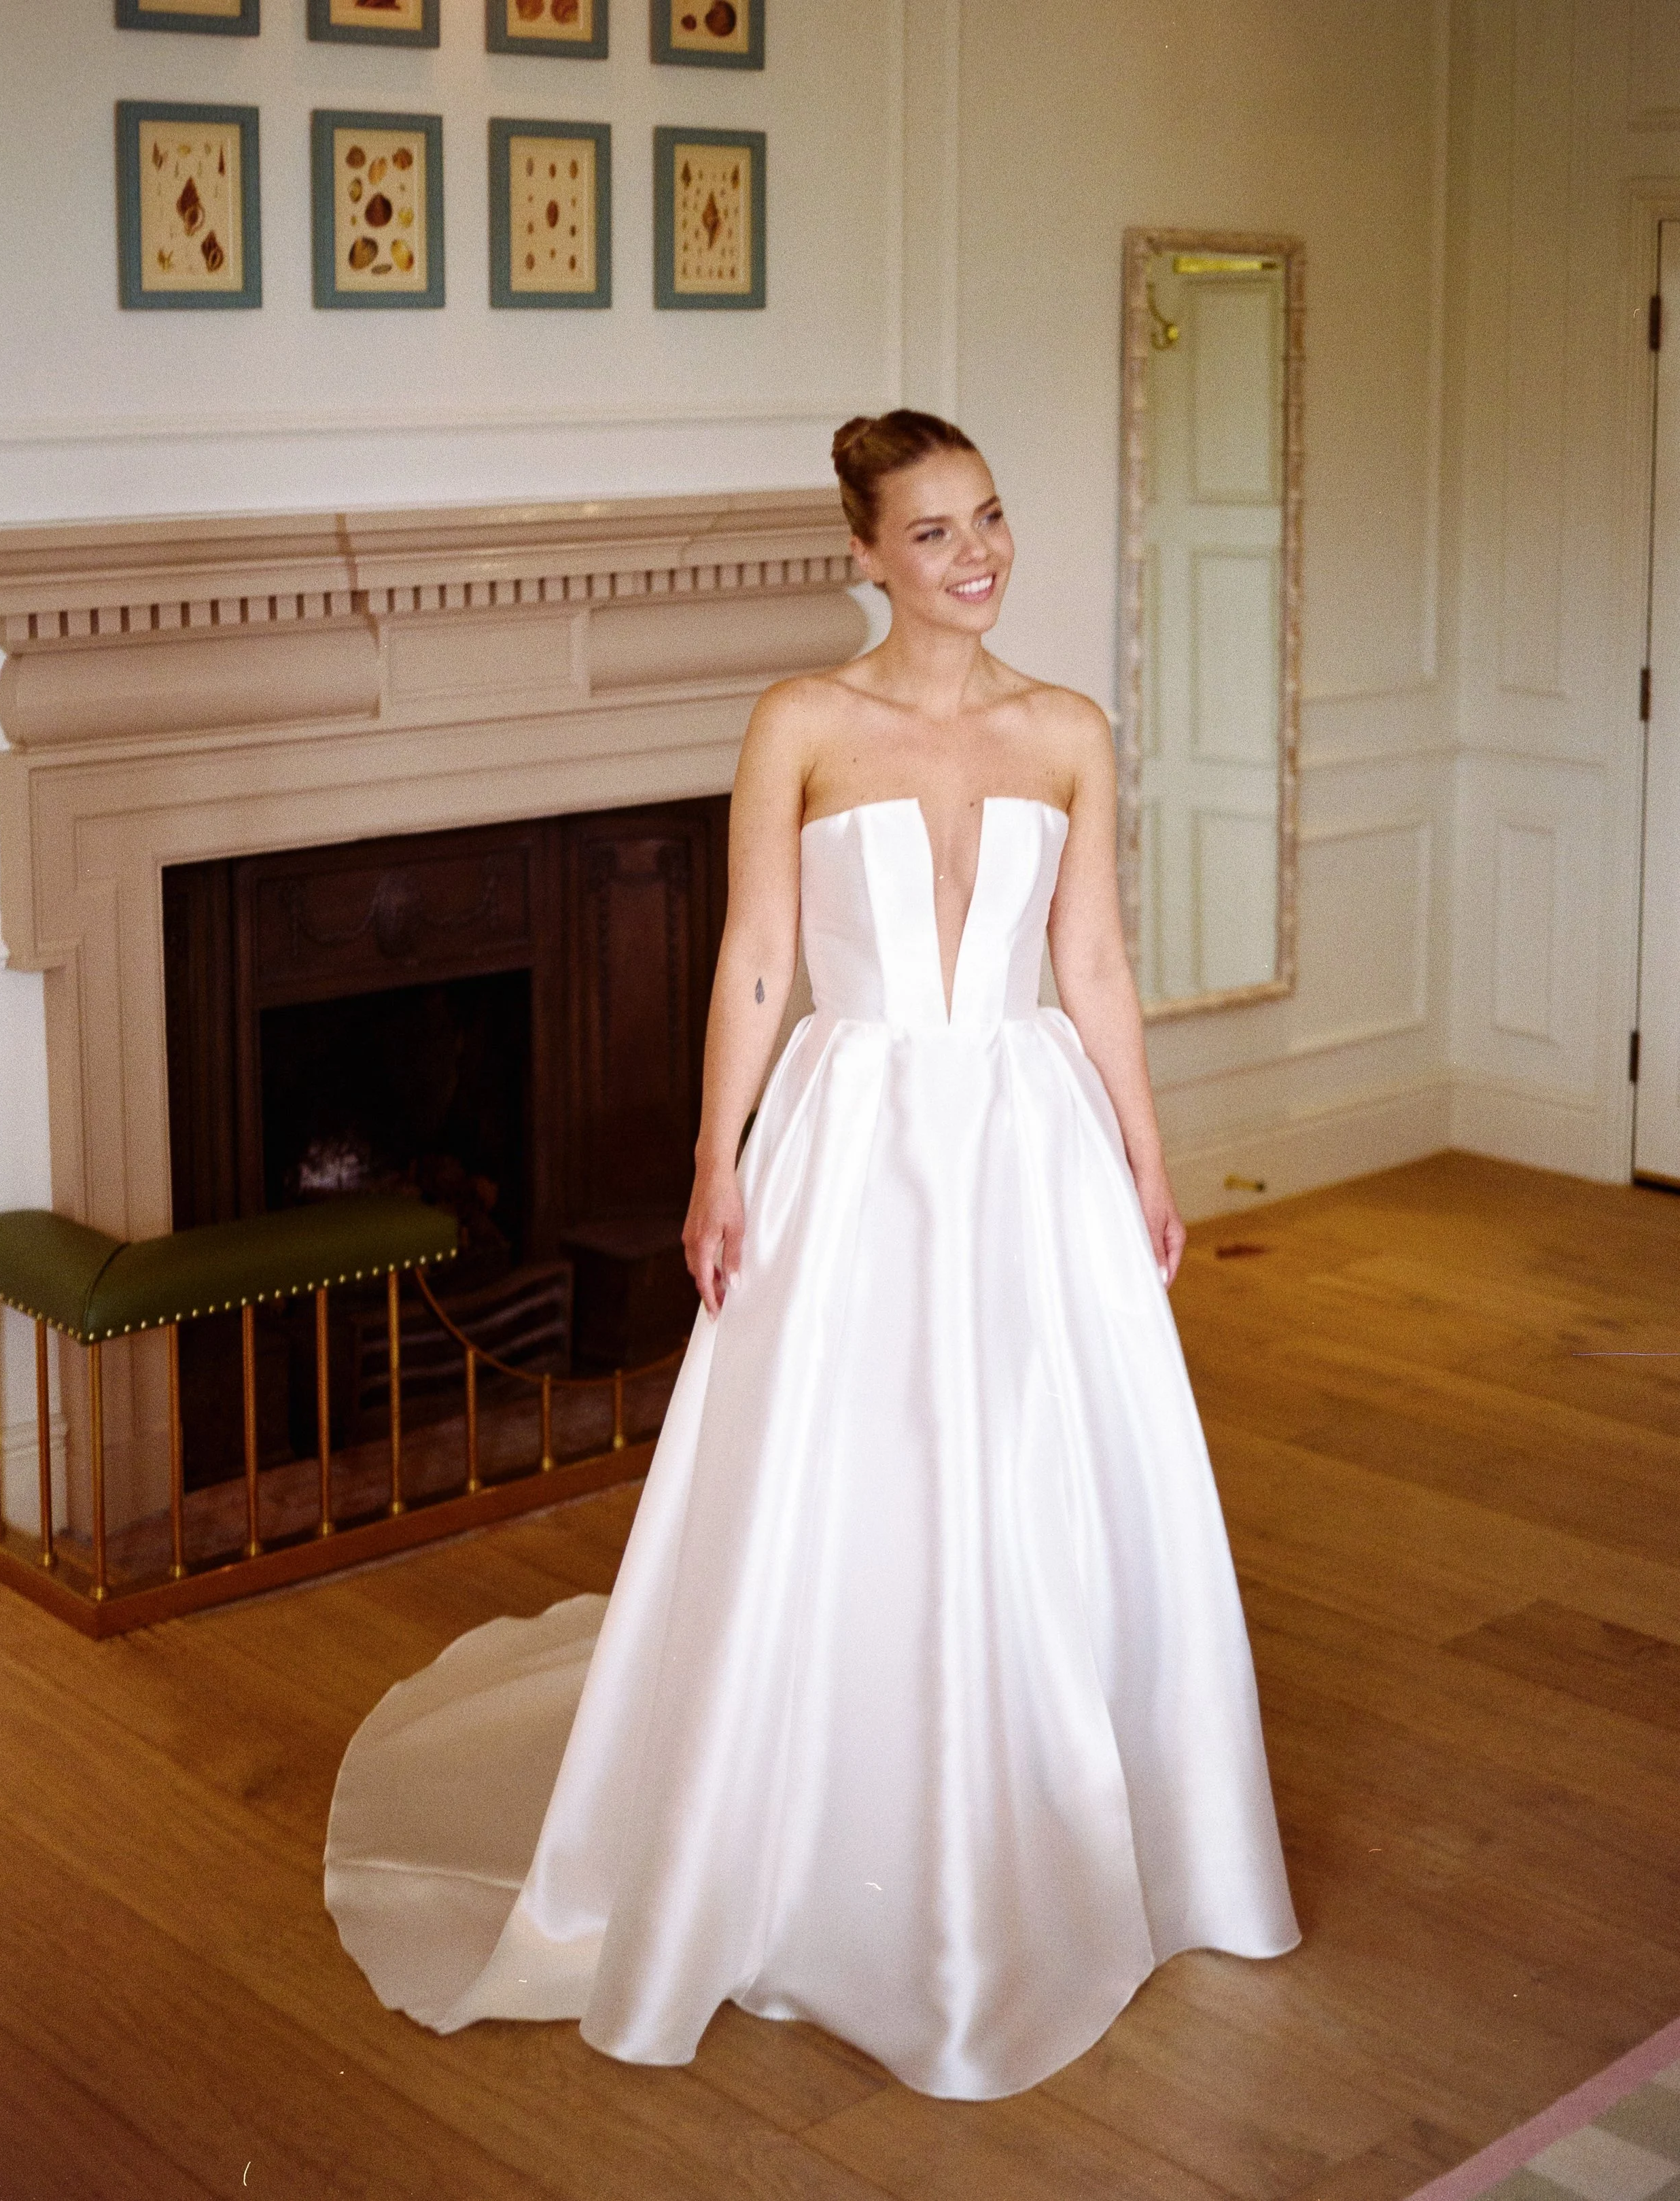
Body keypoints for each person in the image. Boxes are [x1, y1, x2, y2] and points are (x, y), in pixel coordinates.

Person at [326, 410, 1299, 2102]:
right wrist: (716, 1159)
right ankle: (822, 1831)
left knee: (1037, 1468)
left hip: (1025, 1135)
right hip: (851, 1138)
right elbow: (759, 954)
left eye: (988, 516)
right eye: (930, 533)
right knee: (849, 1470)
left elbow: (1094, 963)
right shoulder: (799, 721)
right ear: (862, 554)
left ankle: (1054, 1824)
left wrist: (1143, 1153)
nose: (976, 553)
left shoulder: (1066, 725)